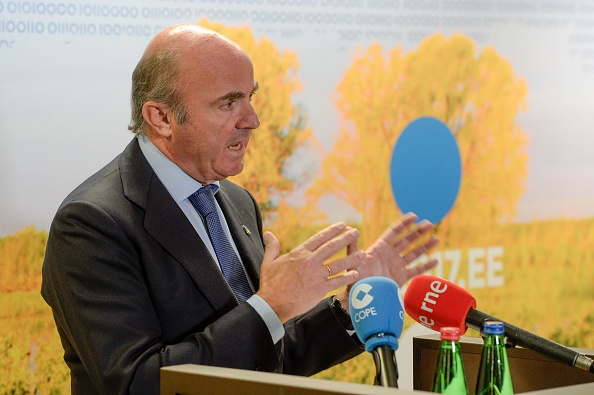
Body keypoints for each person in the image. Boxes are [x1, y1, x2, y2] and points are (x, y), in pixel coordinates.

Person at [41, 24, 439, 394]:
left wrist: (351, 307)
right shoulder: (91, 224)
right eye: (228, 103)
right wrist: (272, 304)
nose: (252, 119)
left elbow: (266, 355)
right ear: (161, 117)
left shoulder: (235, 200)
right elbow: (137, 382)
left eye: (250, 97)